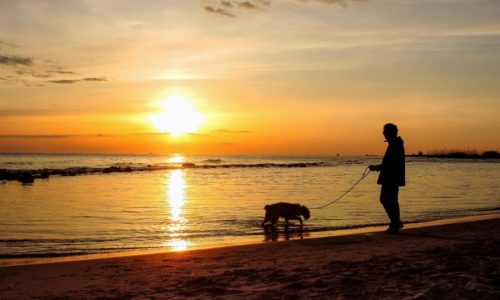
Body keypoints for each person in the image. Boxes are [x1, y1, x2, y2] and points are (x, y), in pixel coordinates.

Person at [369, 123, 405, 234]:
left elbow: (391, 164)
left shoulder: (395, 144)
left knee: (387, 199)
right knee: (390, 200)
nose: (383, 133)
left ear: (391, 132)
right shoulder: (395, 144)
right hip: (392, 177)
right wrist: (378, 168)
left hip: (391, 177)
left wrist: (377, 168)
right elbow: (389, 163)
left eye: (385, 131)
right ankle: (395, 222)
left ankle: (395, 223)